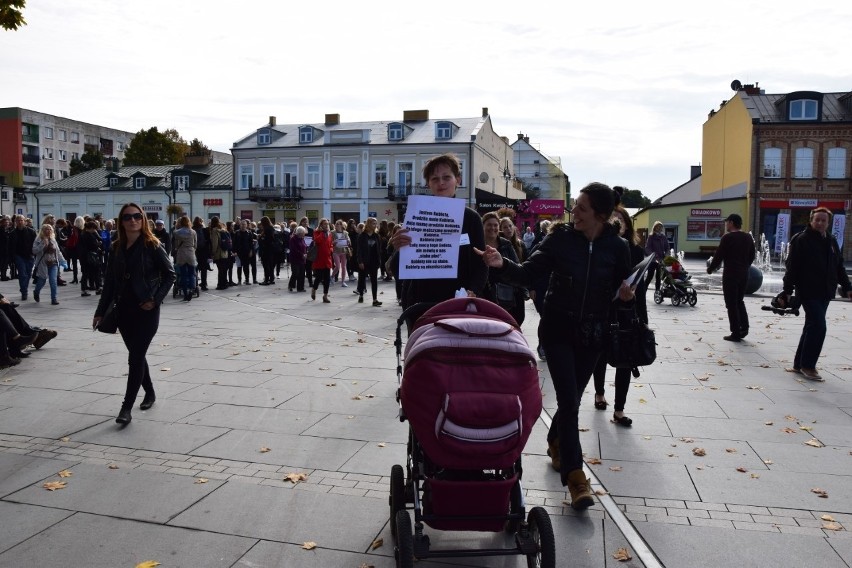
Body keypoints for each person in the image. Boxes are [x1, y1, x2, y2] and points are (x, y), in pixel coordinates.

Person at [477, 182, 634, 510]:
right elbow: (529, 272)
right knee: (569, 400)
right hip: (558, 329)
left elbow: (622, 290)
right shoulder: (560, 238)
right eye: (575, 205)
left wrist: (624, 296)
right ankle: (576, 477)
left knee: (573, 398)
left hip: (593, 334)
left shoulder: (617, 248)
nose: (573, 211)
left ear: (601, 216)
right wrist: (501, 265)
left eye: (582, 208)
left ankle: (555, 442)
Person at [93, 203, 175, 425]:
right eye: (128, 217)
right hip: (124, 310)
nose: (133, 220)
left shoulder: (152, 245)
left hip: (146, 310)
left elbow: (170, 275)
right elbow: (109, 282)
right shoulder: (117, 247)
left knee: (135, 357)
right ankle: (150, 392)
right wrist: (100, 311)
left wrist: (155, 300)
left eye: (137, 216)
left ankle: (126, 408)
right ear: (121, 221)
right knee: (137, 355)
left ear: (143, 219)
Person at [389, 153, 487, 321]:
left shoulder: (471, 218)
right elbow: (397, 269)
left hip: (458, 303)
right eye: (434, 179)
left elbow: (481, 261)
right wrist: (399, 249)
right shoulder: (417, 215)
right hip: (420, 304)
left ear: (458, 180)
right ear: (428, 184)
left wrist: (474, 290)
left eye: (446, 177)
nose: (441, 183)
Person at [780, 207, 852, 382]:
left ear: (828, 223)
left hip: (826, 291)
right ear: (811, 221)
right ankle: (808, 366)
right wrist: (787, 291)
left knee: (811, 326)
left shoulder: (832, 240)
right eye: (817, 220)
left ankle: (799, 364)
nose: (820, 223)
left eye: (823, 220)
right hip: (808, 290)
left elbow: (839, 267)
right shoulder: (801, 239)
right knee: (819, 326)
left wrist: (848, 287)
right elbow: (792, 267)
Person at [592, 201, 648, 426]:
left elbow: (641, 287)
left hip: (627, 310)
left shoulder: (635, 249)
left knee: (626, 359)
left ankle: (619, 409)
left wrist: (640, 313)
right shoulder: (601, 247)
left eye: (621, 219)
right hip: (605, 309)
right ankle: (599, 393)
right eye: (613, 219)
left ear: (627, 223)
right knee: (602, 355)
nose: (617, 223)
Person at [706, 213, 756, 342]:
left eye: (727, 222)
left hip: (730, 274)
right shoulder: (748, 237)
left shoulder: (727, 238)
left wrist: (711, 268)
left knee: (731, 303)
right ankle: (744, 328)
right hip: (744, 274)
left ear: (732, 223)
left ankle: (735, 332)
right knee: (739, 301)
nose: (726, 224)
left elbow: (719, 255)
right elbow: (752, 255)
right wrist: (745, 266)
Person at [482, 212, 524, 325]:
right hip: (485, 295)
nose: (493, 228)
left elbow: (517, 267)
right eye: (489, 225)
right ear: (483, 226)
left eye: (495, 225)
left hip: (507, 296)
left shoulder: (506, 244)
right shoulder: (477, 244)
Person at [32, 224, 65, 305]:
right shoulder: (38, 239)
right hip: (43, 263)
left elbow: (58, 251)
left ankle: (54, 299)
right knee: (42, 281)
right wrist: (43, 244)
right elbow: (34, 251)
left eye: (50, 229)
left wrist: (63, 261)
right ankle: (36, 291)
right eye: (46, 229)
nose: (48, 231)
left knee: (53, 281)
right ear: (43, 231)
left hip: (53, 263)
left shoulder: (53, 239)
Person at [356, 217, 383, 306]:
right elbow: (359, 250)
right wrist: (360, 261)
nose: (375, 225)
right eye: (373, 223)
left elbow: (379, 250)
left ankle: (375, 299)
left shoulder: (376, 236)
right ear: (368, 224)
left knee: (374, 280)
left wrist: (379, 261)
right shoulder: (362, 236)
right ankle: (361, 294)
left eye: (376, 223)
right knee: (362, 278)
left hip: (374, 261)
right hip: (364, 260)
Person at [9, 215, 37, 301]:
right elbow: (10, 247)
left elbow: (35, 243)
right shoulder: (13, 233)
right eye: (18, 220)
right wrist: (12, 258)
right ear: (15, 222)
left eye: (21, 220)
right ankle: (24, 292)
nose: (20, 222)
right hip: (19, 256)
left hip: (29, 256)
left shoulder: (31, 232)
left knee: (28, 274)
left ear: (24, 221)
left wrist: (34, 253)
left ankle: (24, 288)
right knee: (22, 274)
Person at [171, 215, 197, 301]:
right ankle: (191, 290)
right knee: (192, 274)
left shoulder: (176, 232)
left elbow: (175, 244)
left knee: (183, 275)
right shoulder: (193, 232)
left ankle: (185, 294)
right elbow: (195, 245)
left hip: (181, 254)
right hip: (190, 253)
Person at [310, 218, 334, 303]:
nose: (326, 225)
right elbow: (317, 241)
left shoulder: (330, 234)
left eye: (327, 224)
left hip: (327, 258)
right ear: (321, 225)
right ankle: (314, 288)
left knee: (327, 278)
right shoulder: (317, 232)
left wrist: (331, 249)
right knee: (319, 277)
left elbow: (331, 244)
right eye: (324, 224)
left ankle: (325, 295)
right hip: (319, 258)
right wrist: (322, 233)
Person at [78, 220, 103, 296]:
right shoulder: (89, 235)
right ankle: (98, 288)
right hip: (91, 256)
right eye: (94, 228)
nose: (95, 230)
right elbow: (93, 245)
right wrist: (98, 244)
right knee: (96, 272)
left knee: (85, 274)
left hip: (84, 257)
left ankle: (84, 289)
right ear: (91, 228)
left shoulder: (82, 234)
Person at [645, 221, 668, 291]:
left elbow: (667, 247)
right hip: (653, 260)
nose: (659, 228)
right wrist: (653, 256)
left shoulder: (663, 237)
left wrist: (667, 255)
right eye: (658, 227)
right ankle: (643, 290)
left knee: (658, 277)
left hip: (661, 260)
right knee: (650, 276)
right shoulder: (651, 236)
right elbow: (647, 248)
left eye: (661, 227)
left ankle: (657, 293)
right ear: (654, 228)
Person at [209, 217, 230, 290]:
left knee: (220, 270)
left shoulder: (215, 231)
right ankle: (224, 283)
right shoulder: (223, 229)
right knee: (224, 270)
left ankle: (220, 285)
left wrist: (213, 253)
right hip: (225, 253)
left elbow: (215, 243)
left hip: (219, 253)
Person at [257, 217, 277, 285]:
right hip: (271, 249)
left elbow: (267, 240)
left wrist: (260, 238)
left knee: (266, 265)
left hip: (266, 249)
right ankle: (271, 279)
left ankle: (266, 280)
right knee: (271, 265)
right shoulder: (271, 228)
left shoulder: (267, 229)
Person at [332, 219, 352, 287]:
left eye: (339, 224)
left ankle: (343, 281)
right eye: (337, 224)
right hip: (336, 251)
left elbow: (349, 241)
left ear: (342, 225)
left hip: (344, 251)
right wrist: (334, 242)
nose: (338, 225)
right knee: (337, 266)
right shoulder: (332, 232)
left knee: (343, 267)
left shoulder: (345, 233)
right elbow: (330, 242)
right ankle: (332, 277)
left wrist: (348, 241)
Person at [192, 217, 210, 291]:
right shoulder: (205, 230)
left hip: (195, 251)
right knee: (204, 269)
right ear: (201, 222)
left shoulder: (192, 230)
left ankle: (195, 284)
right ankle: (203, 284)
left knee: (195, 269)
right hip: (203, 252)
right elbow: (209, 241)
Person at [288, 225, 308, 292]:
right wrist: (302, 254)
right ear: (300, 233)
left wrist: (306, 253)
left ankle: (300, 288)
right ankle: (291, 285)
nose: (304, 234)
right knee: (295, 273)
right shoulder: (293, 239)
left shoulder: (302, 239)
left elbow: (305, 246)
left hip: (302, 259)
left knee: (302, 273)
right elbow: (294, 249)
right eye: (303, 233)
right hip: (295, 258)